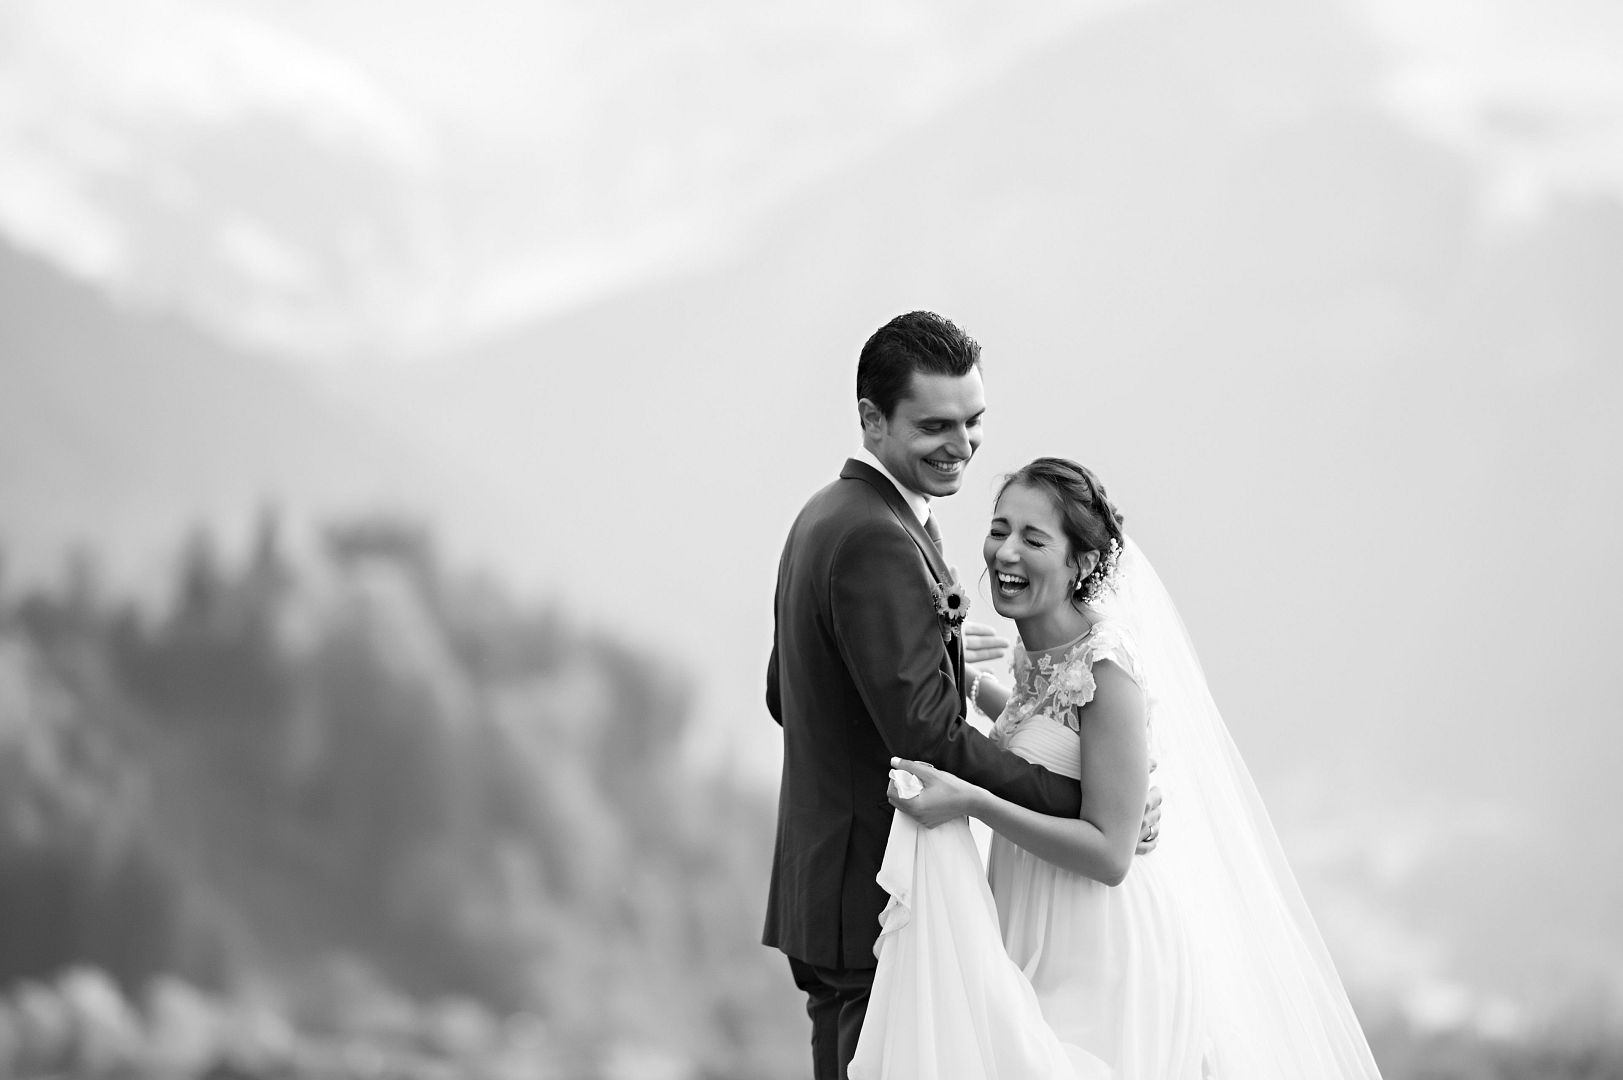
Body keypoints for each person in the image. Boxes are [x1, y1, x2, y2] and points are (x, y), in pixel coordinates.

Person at [854, 458, 1384, 1079]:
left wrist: (971, 801)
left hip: (1102, 953)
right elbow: (1040, 724)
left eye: (1033, 539)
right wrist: (961, 680)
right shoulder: (1035, 647)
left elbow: (1110, 854)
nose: (1006, 552)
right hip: (1033, 924)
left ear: (1080, 563)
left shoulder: (1106, 665)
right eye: (999, 530)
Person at [763, 316, 1163, 1080]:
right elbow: (929, 737)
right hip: (870, 887)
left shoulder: (826, 513)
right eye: (934, 425)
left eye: (972, 420)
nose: (961, 443)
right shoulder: (878, 537)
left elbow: (786, 693)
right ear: (872, 419)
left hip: (831, 883)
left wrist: (943, 667)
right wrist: (1080, 798)